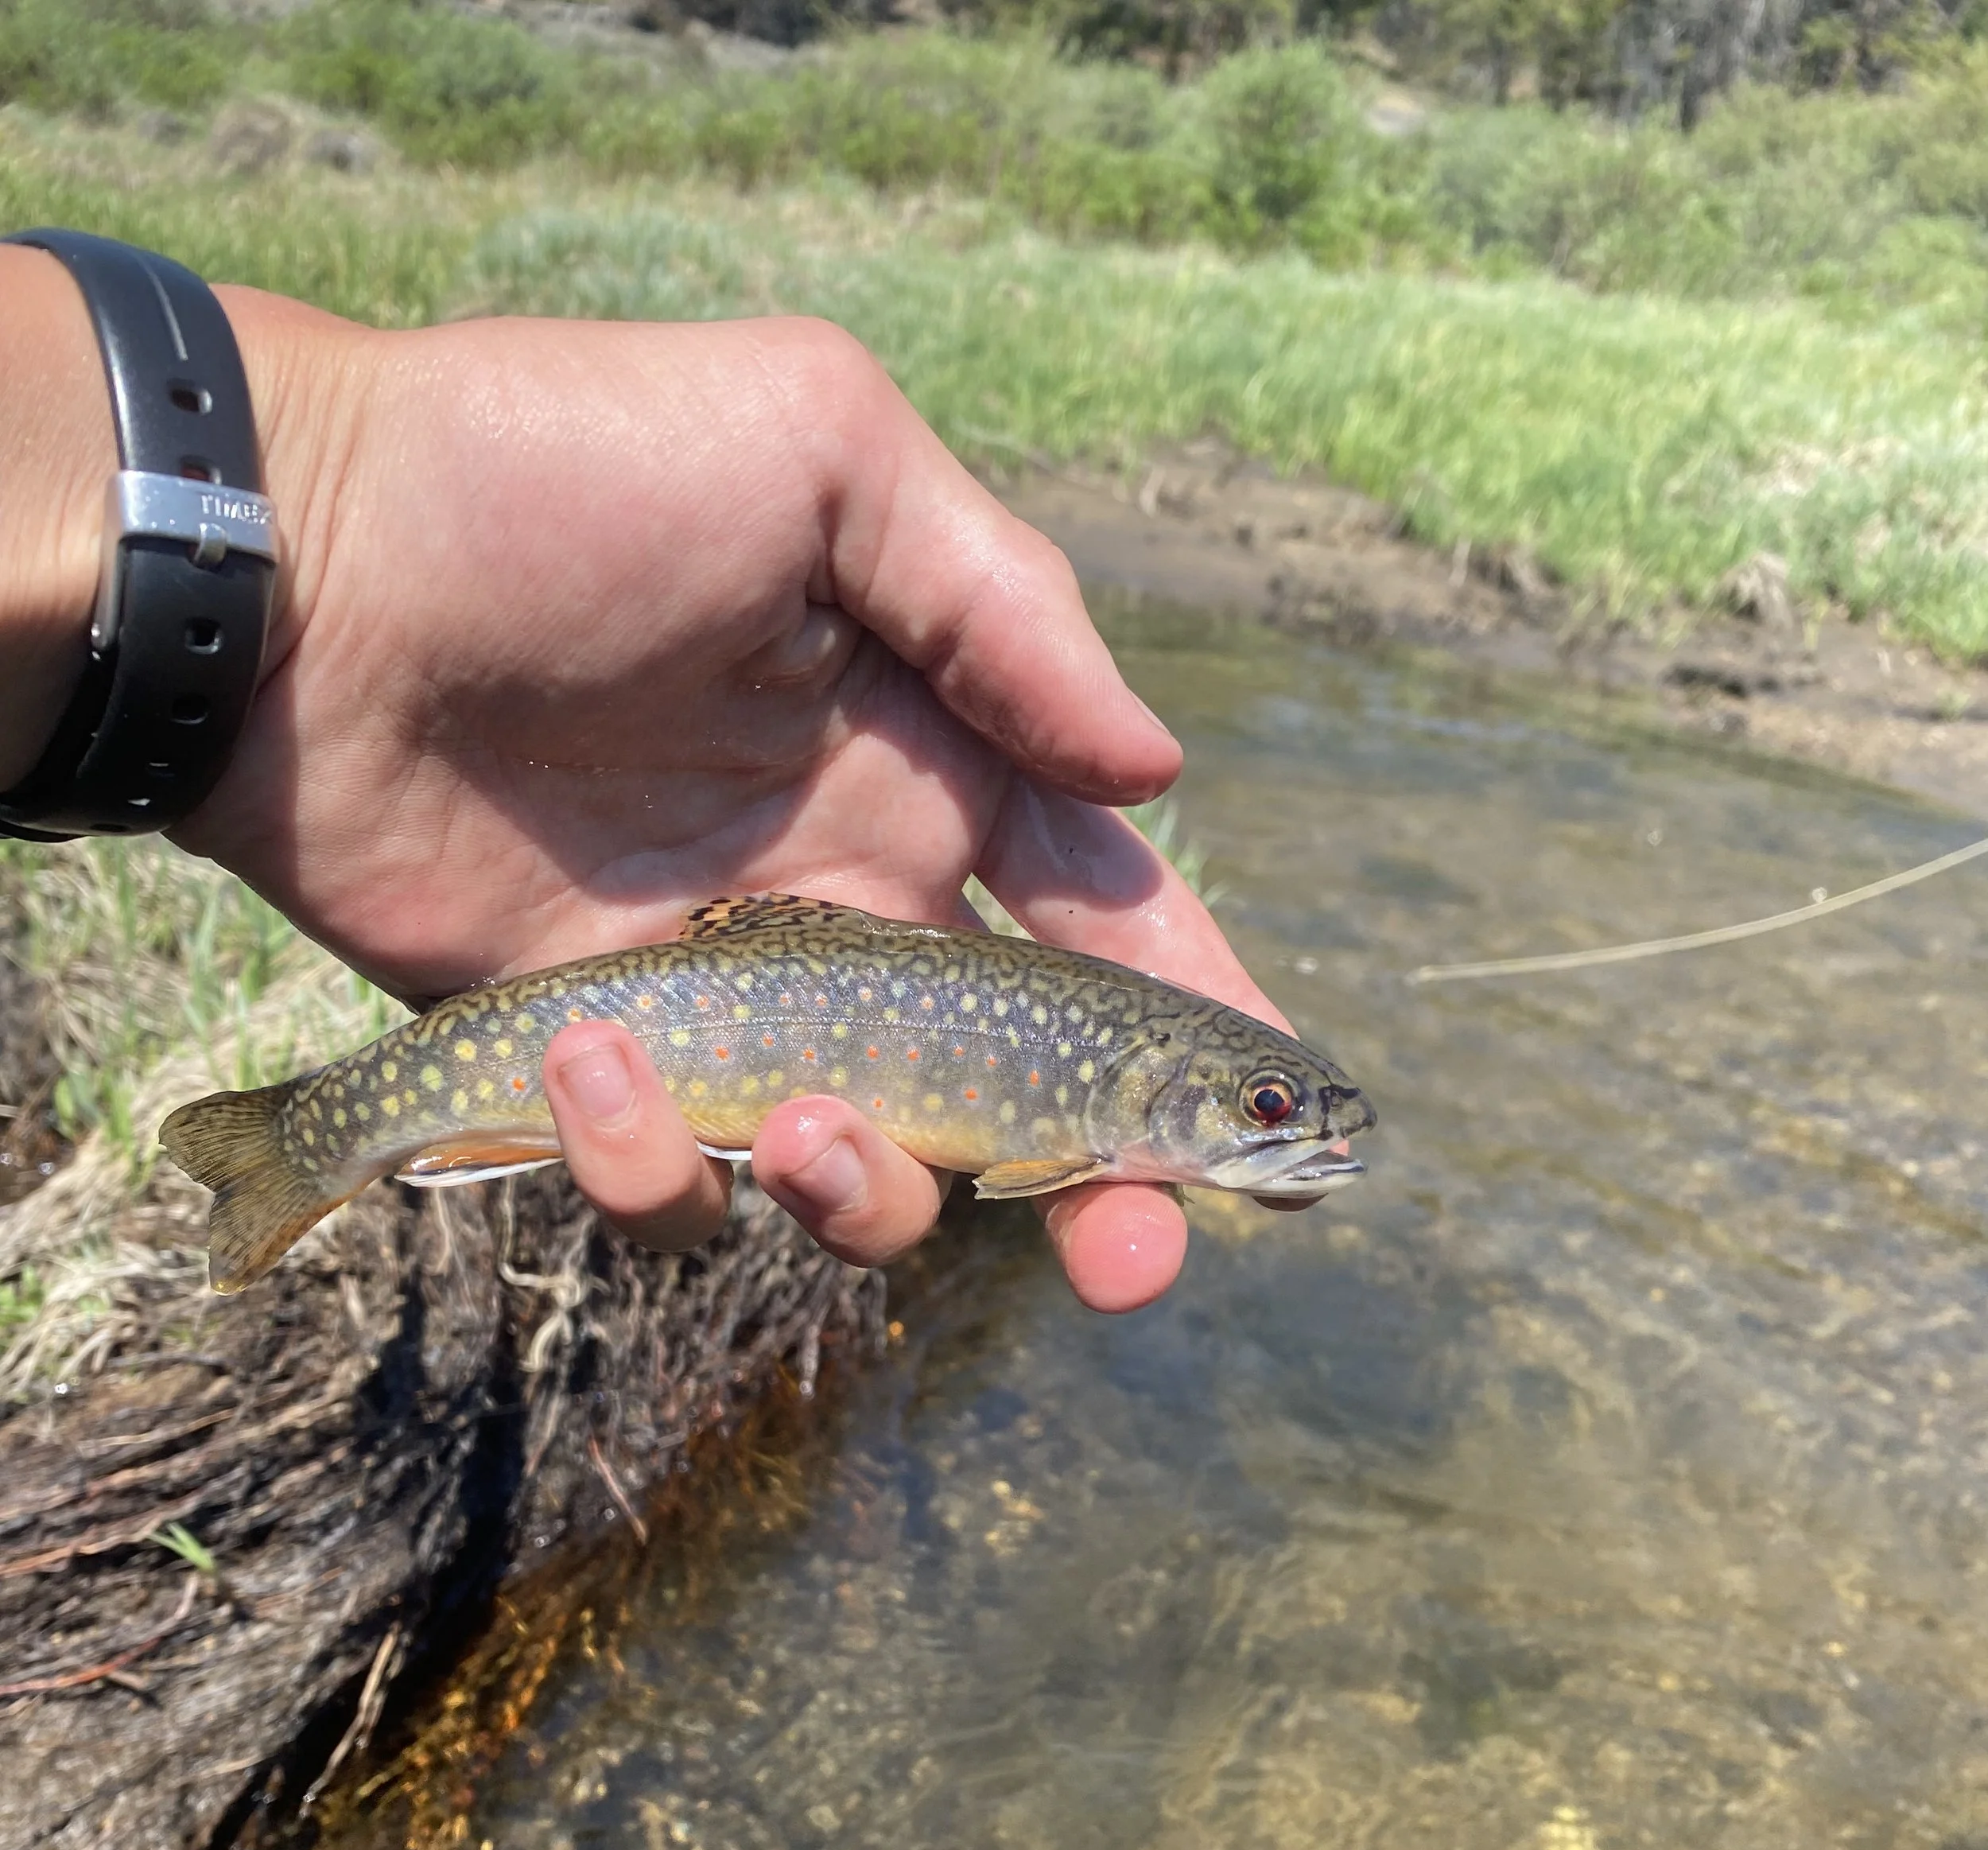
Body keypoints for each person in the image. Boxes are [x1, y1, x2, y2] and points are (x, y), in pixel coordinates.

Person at [0, 244, 1289, 1312]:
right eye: (1266, 1104)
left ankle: (317, 1131)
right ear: (1154, 1091)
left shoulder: (1098, 1068)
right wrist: (320, 509)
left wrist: (298, 543)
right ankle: (301, 1137)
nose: (1291, 1127)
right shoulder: (1082, 1092)